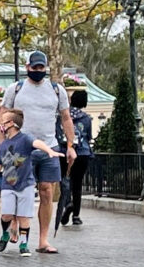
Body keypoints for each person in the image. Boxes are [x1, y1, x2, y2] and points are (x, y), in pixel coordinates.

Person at [12, 49, 72, 254]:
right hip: (22, 148)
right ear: (27, 67)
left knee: (47, 191)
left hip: (49, 147)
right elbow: (3, 115)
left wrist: (71, 146)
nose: (38, 70)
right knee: (20, 191)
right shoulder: (16, 89)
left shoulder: (57, 90)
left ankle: (43, 240)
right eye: (34, 66)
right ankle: (15, 227)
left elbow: (65, 117)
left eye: (41, 67)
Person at [0, 105, 39, 254]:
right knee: (6, 215)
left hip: (25, 183)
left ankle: (23, 244)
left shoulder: (25, 139)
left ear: (12, 124)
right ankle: (5, 234)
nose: (0, 125)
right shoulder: (4, 146)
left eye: (3, 122)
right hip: (8, 184)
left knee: (24, 216)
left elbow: (36, 143)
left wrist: (50, 150)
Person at [60, 87, 95, 229]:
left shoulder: (63, 116)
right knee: (78, 184)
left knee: (65, 180)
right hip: (83, 153)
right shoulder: (86, 118)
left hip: (65, 151)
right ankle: (76, 215)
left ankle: (67, 204)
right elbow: (88, 136)